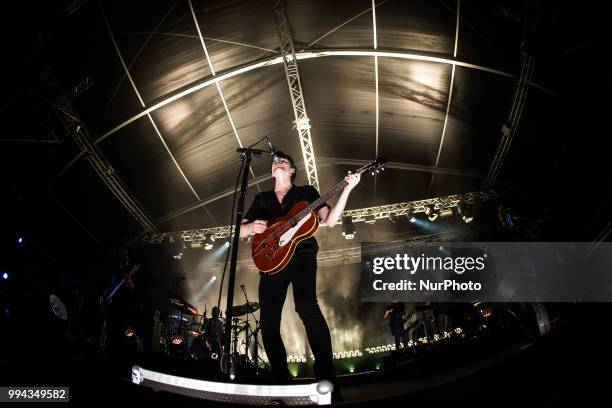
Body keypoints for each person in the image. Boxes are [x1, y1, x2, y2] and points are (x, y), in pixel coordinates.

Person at [240, 151, 360, 394]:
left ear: (292, 169)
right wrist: (251, 226)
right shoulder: (262, 199)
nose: (277, 163)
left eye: (282, 161)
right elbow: (240, 231)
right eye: (274, 162)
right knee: (268, 323)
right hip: (271, 260)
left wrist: (347, 189)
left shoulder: (306, 193)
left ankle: (327, 376)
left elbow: (331, 220)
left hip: (301, 252)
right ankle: (282, 380)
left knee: (306, 305)